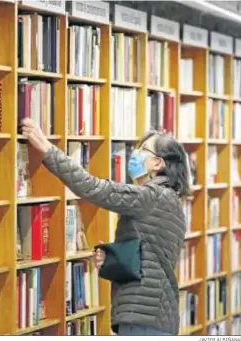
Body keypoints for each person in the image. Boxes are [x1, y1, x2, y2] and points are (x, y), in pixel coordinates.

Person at [21, 118, 190, 336]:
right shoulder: (169, 200)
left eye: (143, 150)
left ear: (158, 163)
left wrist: (46, 148)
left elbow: (92, 187)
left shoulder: (153, 196)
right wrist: (113, 258)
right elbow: (152, 256)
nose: (135, 154)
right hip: (153, 315)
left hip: (144, 317)